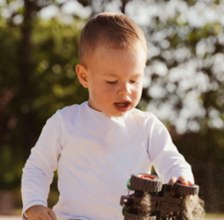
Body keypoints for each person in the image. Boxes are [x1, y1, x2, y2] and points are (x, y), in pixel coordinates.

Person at [21, 12, 195, 220]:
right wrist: (34, 204)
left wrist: (180, 177)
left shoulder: (147, 126)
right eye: (112, 82)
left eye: (134, 80)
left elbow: (171, 159)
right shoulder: (65, 122)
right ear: (84, 76)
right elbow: (38, 167)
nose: (125, 91)